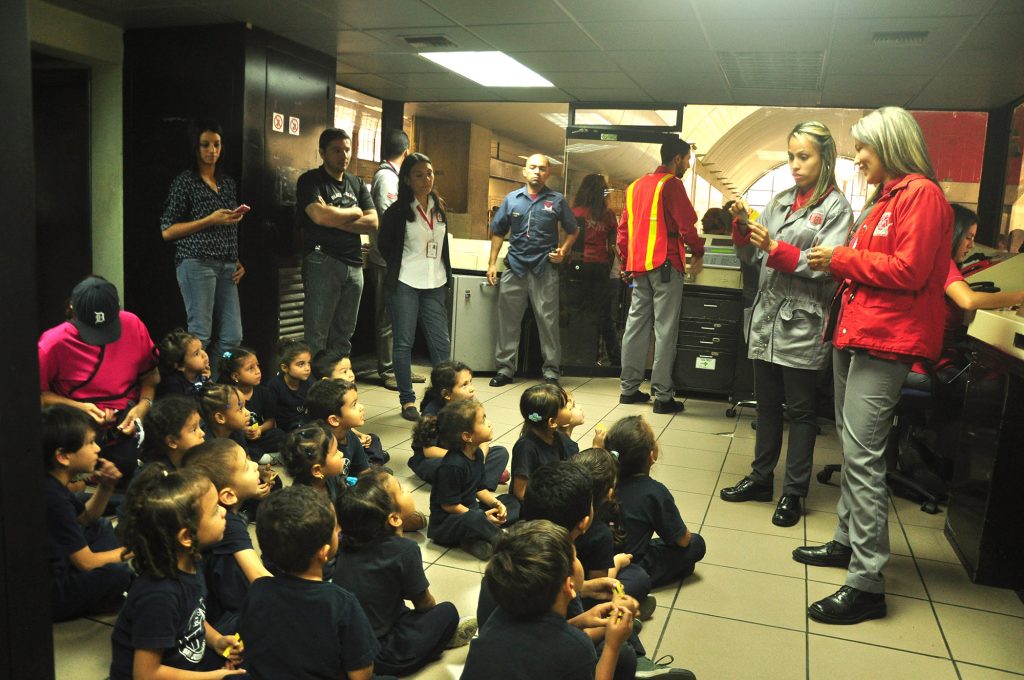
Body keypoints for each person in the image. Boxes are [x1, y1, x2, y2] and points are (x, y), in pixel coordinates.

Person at [801, 106, 954, 625]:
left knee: (864, 458)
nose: (858, 157)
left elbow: (909, 270)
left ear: (889, 144)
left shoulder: (922, 196)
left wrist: (840, 258)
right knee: (853, 448)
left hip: (885, 341)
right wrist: (843, 259)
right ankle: (847, 541)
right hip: (857, 333)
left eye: (863, 148)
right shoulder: (884, 198)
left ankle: (867, 584)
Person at [718, 121, 853, 528]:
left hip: (802, 323)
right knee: (767, 407)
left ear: (825, 158)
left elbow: (822, 267)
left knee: (801, 411)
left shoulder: (836, 210)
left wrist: (774, 247)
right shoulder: (779, 202)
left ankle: (793, 492)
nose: (794, 165)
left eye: (804, 157)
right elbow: (753, 260)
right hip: (767, 320)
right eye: (791, 156)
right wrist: (743, 229)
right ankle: (761, 479)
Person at [236, 485, 385, 680]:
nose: (340, 529)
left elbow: (248, 643)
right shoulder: (341, 603)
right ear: (323, 553)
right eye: (336, 526)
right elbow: (360, 675)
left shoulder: (258, 589)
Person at [334, 473, 474, 676]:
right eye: (401, 490)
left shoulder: (347, 544)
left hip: (349, 650)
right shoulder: (404, 550)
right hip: (381, 654)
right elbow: (424, 603)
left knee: (398, 609)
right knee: (447, 612)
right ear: (394, 518)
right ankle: (440, 641)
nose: (408, 491)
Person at [110, 465, 242, 679]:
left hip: (187, 665)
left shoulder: (190, 561)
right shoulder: (159, 596)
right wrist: (214, 677)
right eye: (216, 510)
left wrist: (217, 640)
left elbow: (193, 618)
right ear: (187, 537)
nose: (225, 511)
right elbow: (146, 674)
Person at [461, 520, 633, 680]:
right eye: (575, 557)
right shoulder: (578, 648)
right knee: (624, 655)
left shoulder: (497, 617)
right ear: (569, 586)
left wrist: (579, 622)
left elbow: (534, 644)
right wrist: (612, 645)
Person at [39, 276, 159, 483]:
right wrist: (80, 408)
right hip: (78, 428)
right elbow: (38, 397)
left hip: (129, 421)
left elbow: (150, 376)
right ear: (72, 309)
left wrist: (143, 406)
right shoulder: (52, 343)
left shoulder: (133, 324)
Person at [617, 138, 704, 414]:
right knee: (665, 330)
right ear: (677, 159)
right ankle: (662, 395)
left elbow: (623, 232)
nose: (688, 165)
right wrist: (699, 251)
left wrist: (625, 261)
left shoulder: (634, 187)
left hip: (638, 267)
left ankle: (629, 389)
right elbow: (687, 225)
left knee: (636, 326)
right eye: (688, 160)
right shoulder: (671, 185)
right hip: (666, 264)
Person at [159, 119, 247, 369]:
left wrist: (236, 258)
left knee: (232, 336)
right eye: (205, 145)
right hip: (196, 261)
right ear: (195, 148)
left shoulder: (227, 182)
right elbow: (167, 230)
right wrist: (209, 219)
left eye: (217, 145)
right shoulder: (185, 181)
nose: (212, 151)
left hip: (226, 263)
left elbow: (226, 226)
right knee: (200, 334)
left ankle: (212, 385)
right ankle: (193, 390)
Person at [487, 153, 578, 386]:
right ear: (524, 171)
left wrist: (563, 251)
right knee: (508, 321)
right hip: (515, 268)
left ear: (548, 173)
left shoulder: (556, 200)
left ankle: (550, 372)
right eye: (533, 167)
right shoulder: (512, 199)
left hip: (544, 269)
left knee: (547, 323)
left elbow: (573, 230)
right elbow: (498, 230)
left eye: (542, 168)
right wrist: (491, 264)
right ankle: (505, 370)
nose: (537, 172)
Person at [377, 152, 453, 420]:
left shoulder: (439, 206)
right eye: (419, 175)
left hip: (435, 282)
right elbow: (384, 246)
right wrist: (405, 265)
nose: (426, 179)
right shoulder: (397, 211)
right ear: (407, 179)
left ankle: (446, 398)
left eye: (430, 174)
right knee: (403, 343)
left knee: (441, 345)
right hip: (405, 282)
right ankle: (407, 400)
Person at [43, 405, 133, 622]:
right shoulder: (50, 496)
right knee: (119, 574)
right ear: (63, 456)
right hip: (46, 593)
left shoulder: (53, 482)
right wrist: (137, 549)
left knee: (100, 526)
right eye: (90, 443)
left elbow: (85, 520)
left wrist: (106, 487)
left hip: (62, 562)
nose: (97, 450)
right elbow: (87, 563)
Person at [296, 128, 378, 357]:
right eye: (337, 150)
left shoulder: (356, 183)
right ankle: (314, 388)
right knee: (317, 333)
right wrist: (353, 212)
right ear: (322, 152)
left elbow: (373, 222)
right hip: (323, 260)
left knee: (344, 334)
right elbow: (318, 217)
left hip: (354, 264)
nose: (344, 155)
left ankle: (337, 386)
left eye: (347, 149)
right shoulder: (310, 181)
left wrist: (335, 217)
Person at [183, 438, 272, 634]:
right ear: (228, 496)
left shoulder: (214, 512)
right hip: (221, 621)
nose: (255, 464)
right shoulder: (227, 523)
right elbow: (258, 576)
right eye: (246, 467)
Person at [606, 415, 706, 589]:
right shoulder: (654, 492)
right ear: (651, 455)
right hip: (633, 563)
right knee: (696, 544)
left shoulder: (604, 482)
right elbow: (683, 540)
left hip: (601, 557)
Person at [427, 400, 512, 560]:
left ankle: (474, 538)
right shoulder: (452, 465)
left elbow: (480, 488)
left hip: (471, 511)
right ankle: (504, 541)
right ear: (467, 436)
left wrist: (496, 504)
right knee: (473, 519)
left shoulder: (478, 454)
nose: (489, 423)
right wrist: (481, 517)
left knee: (510, 501)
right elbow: (449, 505)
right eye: (483, 421)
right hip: (446, 524)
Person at [370, 129, 418, 391]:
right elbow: (392, 218)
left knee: (400, 317)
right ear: (406, 152)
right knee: (387, 317)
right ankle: (388, 368)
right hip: (387, 261)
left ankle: (401, 367)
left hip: (401, 261)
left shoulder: (393, 177)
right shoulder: (387, 178)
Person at [411, 360, 510, 488]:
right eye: (464, 385)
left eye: (471, 382)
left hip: (469, 455)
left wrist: (481, 459)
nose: (472, 388)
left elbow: (482, 437)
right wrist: (463, 459)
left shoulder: (471, 407)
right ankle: (480, 477)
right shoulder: (432, 413)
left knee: (501, 453)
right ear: (446, 394)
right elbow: (429, 451)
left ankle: (477, 482)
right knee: (438, 466)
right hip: (443, 457)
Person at [570, 173, 622, 366]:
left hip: (578, 268)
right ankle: (614, 358)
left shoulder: (575, 212)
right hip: (601, 269)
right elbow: (612, 246)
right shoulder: (607, 215)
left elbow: (569, 242)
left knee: (580, 313)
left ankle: (579, 355)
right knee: (604, 315)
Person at [140, 395, 206, 469]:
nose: (202, 433)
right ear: (172, 442)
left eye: (199, 426)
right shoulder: (161, 477)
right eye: (194, 430)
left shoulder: (194, 460)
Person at [266, 338, 312, 432]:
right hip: (285, 429)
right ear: (285, 368)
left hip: (306, 424)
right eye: (301, 364)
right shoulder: (274, 386)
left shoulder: (309, 382)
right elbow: (270, 416)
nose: (307, 368)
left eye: (309, 363)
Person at [155, 329, 210, 398]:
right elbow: (188, 405)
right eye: (196, 353)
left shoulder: (199, 372)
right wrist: (203, 380)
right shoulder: (173, 386)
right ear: (180, 366)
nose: (204, 354)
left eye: (201, 349)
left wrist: (205, 379)